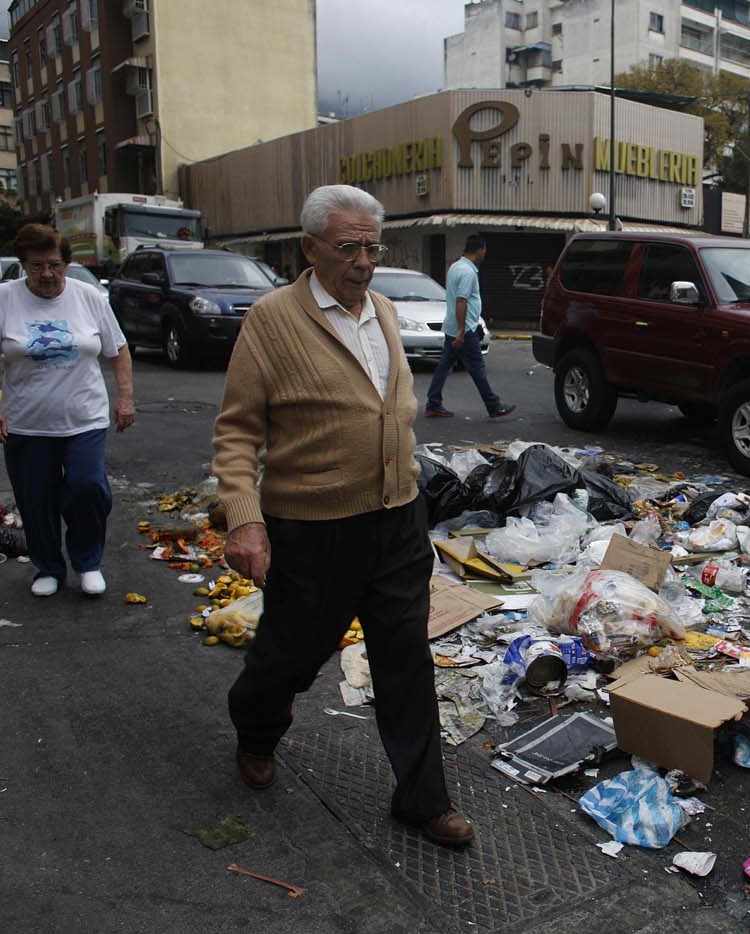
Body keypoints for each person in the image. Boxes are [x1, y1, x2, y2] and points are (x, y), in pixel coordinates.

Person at [212, 184, 473, 847]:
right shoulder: (272, 320)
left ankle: (421, 799)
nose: (363, 261)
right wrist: (245, 519)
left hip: (397, 523)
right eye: (348, 247)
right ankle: (255, 726)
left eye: (372, 247)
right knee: (291, 659)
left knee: (404, 662)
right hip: (313, 532)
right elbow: (238, 432)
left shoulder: (383, 311)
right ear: (310, 248)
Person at [0, 223, 134, 598]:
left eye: (54, 264)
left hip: (84, 418)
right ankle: (48, 568)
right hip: (27, 423)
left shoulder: (89, 297)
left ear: (67, 263)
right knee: (35, 497)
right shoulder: (2, 299)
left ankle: (88, 562)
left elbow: (117, 350)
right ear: (24, 265)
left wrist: (125, 398)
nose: (46, 274)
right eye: (36, 266)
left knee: (87, 488)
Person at [422, 235, 516, 419]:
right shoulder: (467, 272)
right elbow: (461, 301)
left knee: (444, 366)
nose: (485, 254)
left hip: (453, 327)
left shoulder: (456, 266)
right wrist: (461, 331)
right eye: (485, 250)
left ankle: (433, 403)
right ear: (479, 249)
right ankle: (493, 405)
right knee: (477, 367)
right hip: (463, 329)